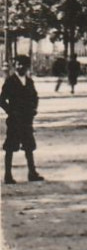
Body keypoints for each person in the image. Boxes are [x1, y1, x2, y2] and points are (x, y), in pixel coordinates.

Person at [1, 55, 44, 184]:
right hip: (14, 120)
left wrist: (33, 109)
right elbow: (2, 99)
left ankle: (32, 173)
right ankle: (8, 175)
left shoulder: (29, 82)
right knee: (10, 147)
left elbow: (35, 97)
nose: (20, 67)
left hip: (26, 119)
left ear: (27, 67)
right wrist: (10, 111)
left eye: (23, 65)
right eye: (18, 64)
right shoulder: (10, 81)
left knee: (29, 146)